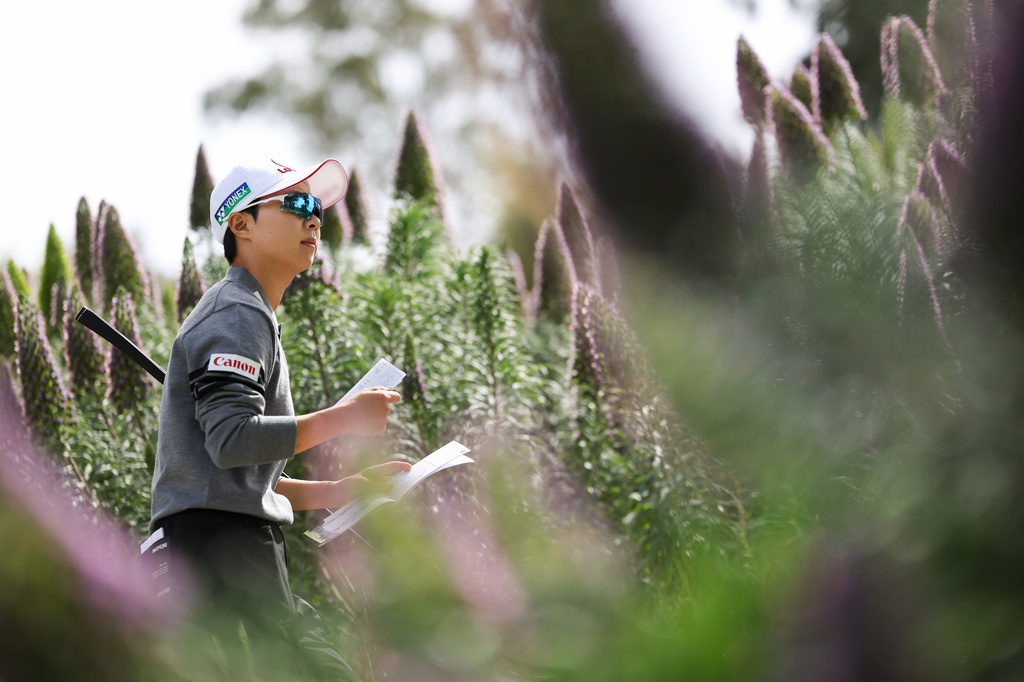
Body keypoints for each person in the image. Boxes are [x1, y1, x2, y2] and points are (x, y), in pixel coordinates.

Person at [147, 157, 407, 674]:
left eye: (317, 208)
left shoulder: (250, 313)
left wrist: (343, 489)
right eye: (297, 204)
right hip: (222, 550)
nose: (314, 219)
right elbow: (233, 441)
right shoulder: (239, 313)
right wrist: (344, 417)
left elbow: (237, 475)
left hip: (238, 544)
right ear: (240, 224)